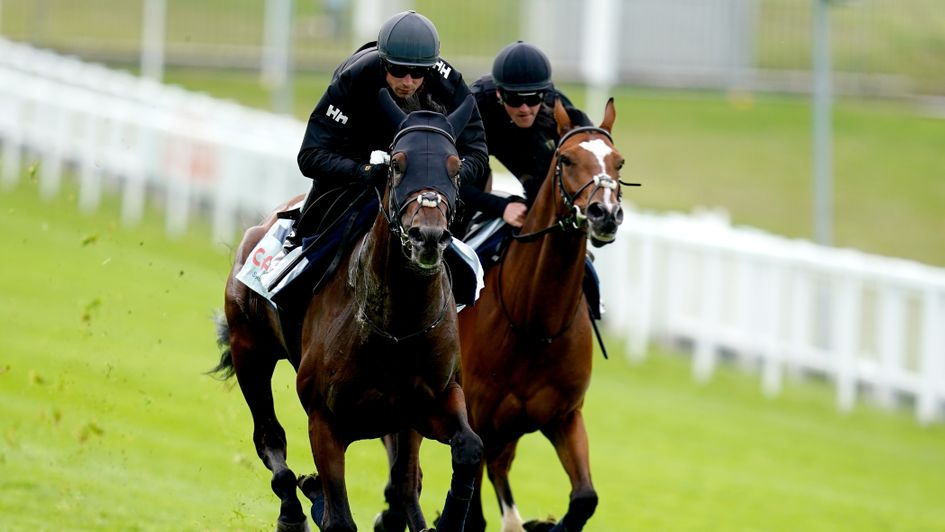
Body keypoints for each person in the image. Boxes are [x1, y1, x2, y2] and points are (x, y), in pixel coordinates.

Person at [287, 10, 489, 249]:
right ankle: (296, 247)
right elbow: (310, 156)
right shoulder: (353, 79)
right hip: (357, 161)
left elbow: (477, 153)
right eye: (398, 70)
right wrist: (363, 171)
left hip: (424, 180)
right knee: (320, 215)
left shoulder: (449, 84)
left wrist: (447, 177)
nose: (407, 82)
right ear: (383, 63)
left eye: (418, 73)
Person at [468, 41, 593, 228]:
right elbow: (441, 179)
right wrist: (501, 207)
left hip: (531, 151)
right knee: (466, 187)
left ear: (544, 94)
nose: (524, 109)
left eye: (533, 98)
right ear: (499, 93)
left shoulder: (557, 107)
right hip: (479, 145)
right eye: (514, 99)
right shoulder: (472, 106)